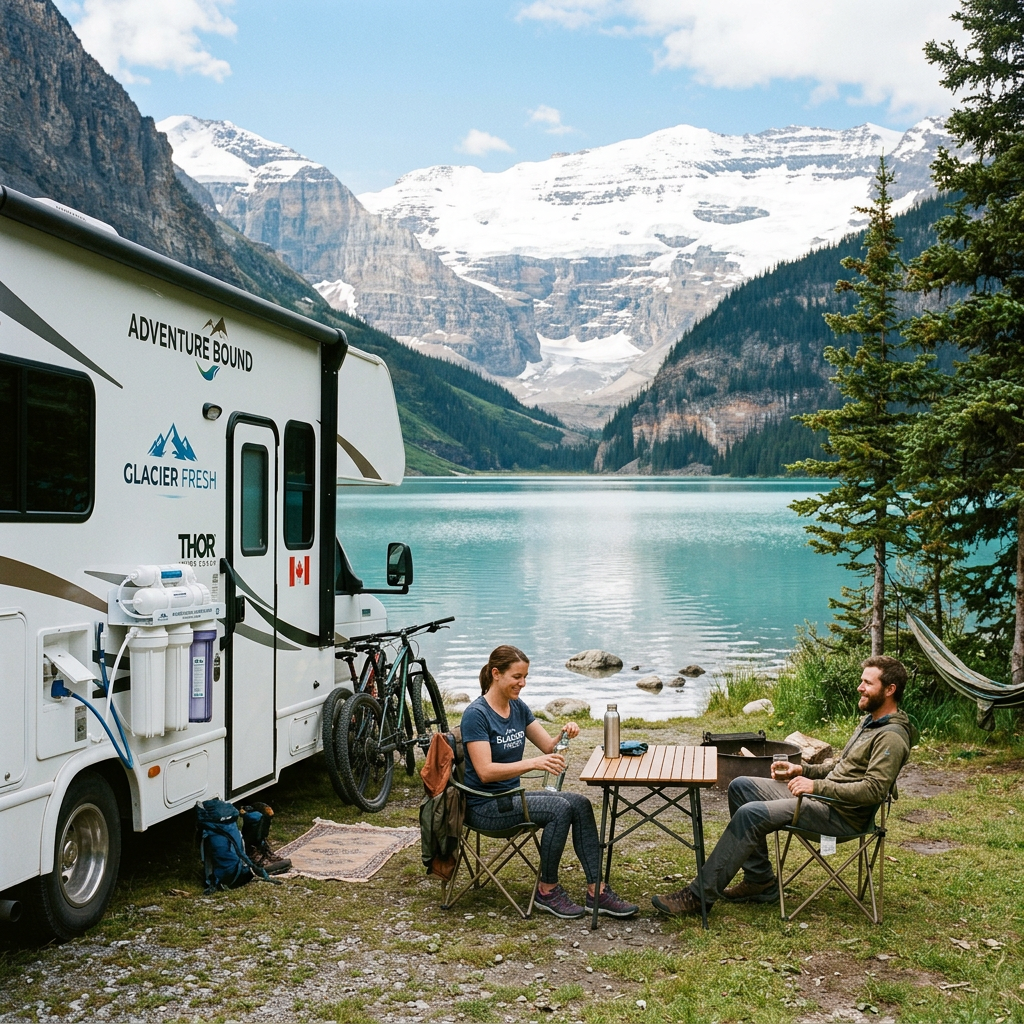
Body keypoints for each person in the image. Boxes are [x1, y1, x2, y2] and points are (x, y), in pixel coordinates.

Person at [652, 655, 913, 917]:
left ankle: (698, 896)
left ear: (889, 689)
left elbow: (873, 791)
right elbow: (841, 769)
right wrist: (803, 770)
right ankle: (760, 882)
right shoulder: (871, 723)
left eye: (867, 683)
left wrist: (815, 787)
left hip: (842, 816)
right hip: (824, 801)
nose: (860, 687)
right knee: (741, 786)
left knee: (751, 814)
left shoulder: (890, 737)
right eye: (861, 681)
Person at [461, 645, 639, 919]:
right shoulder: (476, 715)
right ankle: (547, 890)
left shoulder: (517, 708)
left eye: (525, 677)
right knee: (559, 809)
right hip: (485, 807)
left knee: (579, 803)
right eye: (516, 677)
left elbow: (548, 747)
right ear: (496, 674)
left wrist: (564, 735)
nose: (522, 683)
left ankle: (597, 891)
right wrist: (532, 763)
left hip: (512, 798)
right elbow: (484, 771)